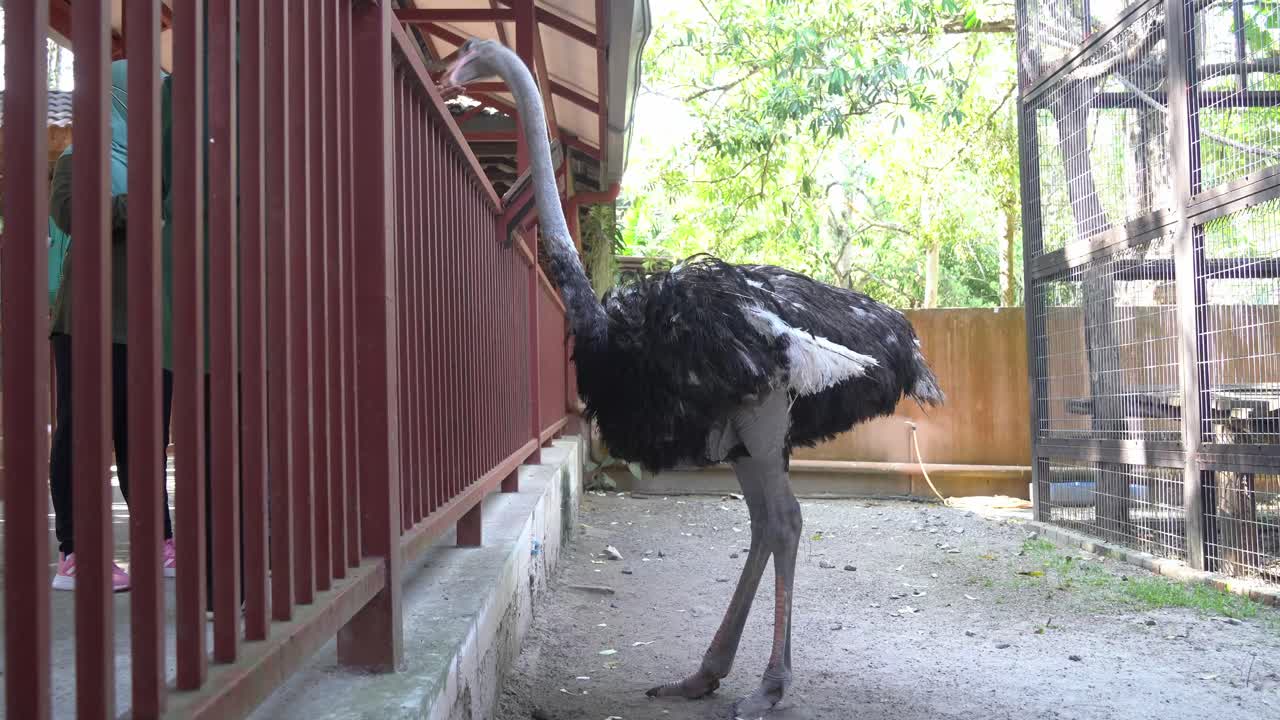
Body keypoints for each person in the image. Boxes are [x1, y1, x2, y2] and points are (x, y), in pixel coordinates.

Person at [47, 60, 179, 592]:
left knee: (145, 436)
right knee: (83, 433)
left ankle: (157, 539)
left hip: (156, 324)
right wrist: (150, 197)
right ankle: (76, 552)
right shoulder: (80, 158)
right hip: (92, 320)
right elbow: (73, 214)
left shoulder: (166, 163)